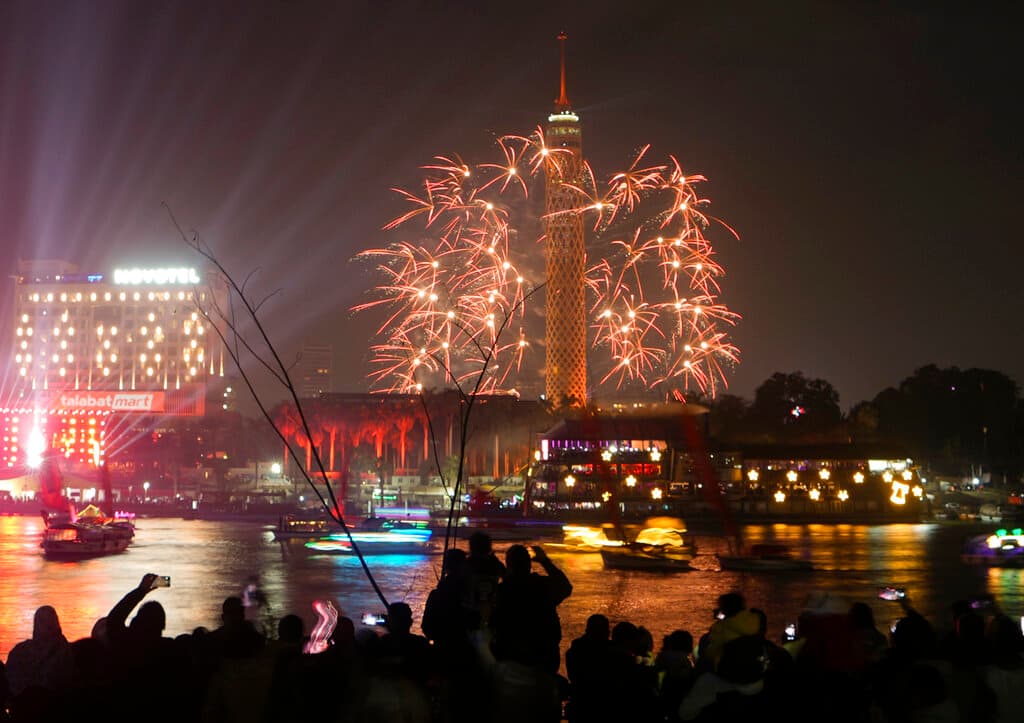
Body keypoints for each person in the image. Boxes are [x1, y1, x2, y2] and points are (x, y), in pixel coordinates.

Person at [489, 544, 572, 675]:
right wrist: (545, 561)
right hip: (544, 657)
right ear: (529, 564)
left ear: (509, 564)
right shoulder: (542, 586)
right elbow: (565, 587)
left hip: (511, 658)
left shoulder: (501, 591)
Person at [3, 605, 74, 721]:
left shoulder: (67, 652)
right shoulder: (20, 652)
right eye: (44, 622)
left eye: (49, 622)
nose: (48, 626)